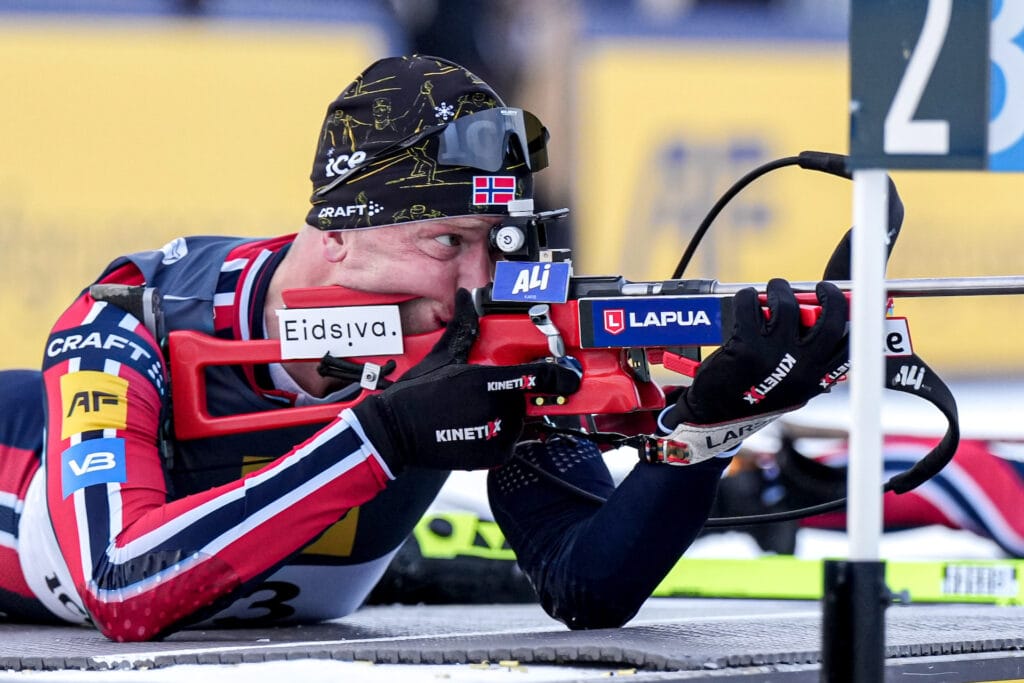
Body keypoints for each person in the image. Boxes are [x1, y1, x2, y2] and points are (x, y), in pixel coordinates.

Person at [0, 55, 849, 642]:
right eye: (449, 243)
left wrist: (709, 429)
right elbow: (123, 585)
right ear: (338, 232)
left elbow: (587, 582)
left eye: (498, 243)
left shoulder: (488, 330)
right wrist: (382, 437)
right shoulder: (131, 317)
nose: (478, 282)